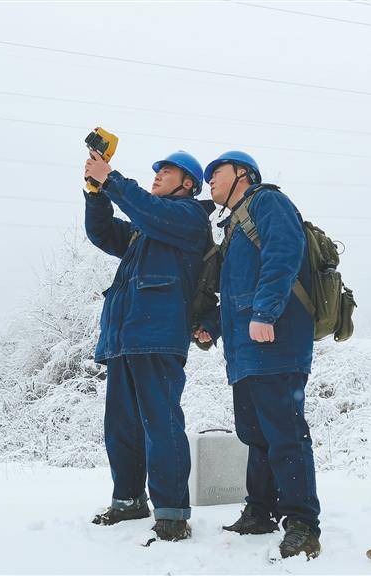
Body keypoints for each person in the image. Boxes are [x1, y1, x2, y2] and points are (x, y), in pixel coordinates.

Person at [194, 151, 322, 559]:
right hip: (245, 352)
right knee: (255, 435)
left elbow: (283, 255)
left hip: (276, 344)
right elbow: (233, 297)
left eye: (218, 172)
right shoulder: (232, 227)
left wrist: (266, 311)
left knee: (285, 433)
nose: (210, 180)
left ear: (243, 174)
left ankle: (302, 522)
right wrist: (211, 327)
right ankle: (261, 510)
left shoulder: (268, 202)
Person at [83, 149, 211, 542]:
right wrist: (95, 193)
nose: (156, 176)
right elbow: (102, 233)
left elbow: (147, 210)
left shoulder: (188, 218)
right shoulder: (145, 230)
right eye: (156, 171)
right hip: (125, 338)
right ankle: (128, 500)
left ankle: (171, 512)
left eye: (166, 172)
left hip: (157, 336)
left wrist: (113, 179)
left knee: (161, 424)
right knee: (120, 427)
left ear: (187, 183)